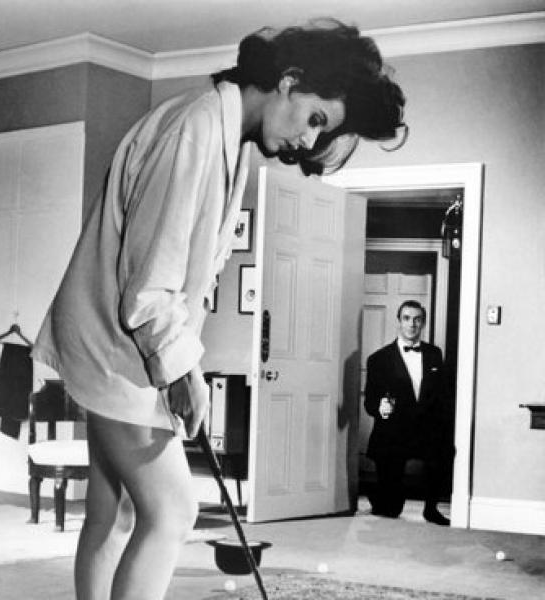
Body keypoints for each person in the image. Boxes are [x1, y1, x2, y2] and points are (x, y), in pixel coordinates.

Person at [32, 19, 406, 600]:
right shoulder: (197, 129)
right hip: (115, 352)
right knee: (172, 512)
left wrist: (187, 369)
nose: (310, 141)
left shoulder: (222, 134)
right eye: (315, 118)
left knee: (115, 510)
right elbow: (149, 289)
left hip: (116, 346)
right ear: (289, 79)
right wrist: (185, 373)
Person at [364, 300, 453, 526]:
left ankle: (431, 509)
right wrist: (380, 408)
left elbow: (442, 395)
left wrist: (443, 426)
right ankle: (381, 498)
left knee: (444, 449)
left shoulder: (434, 354)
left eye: (417, 319)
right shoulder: (378, 359)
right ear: (399, 321)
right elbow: (370, 402)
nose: (412, 324)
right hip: (394, 430)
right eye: (406, 318)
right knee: (390, 509)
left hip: (425, 428)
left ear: (423, 323)